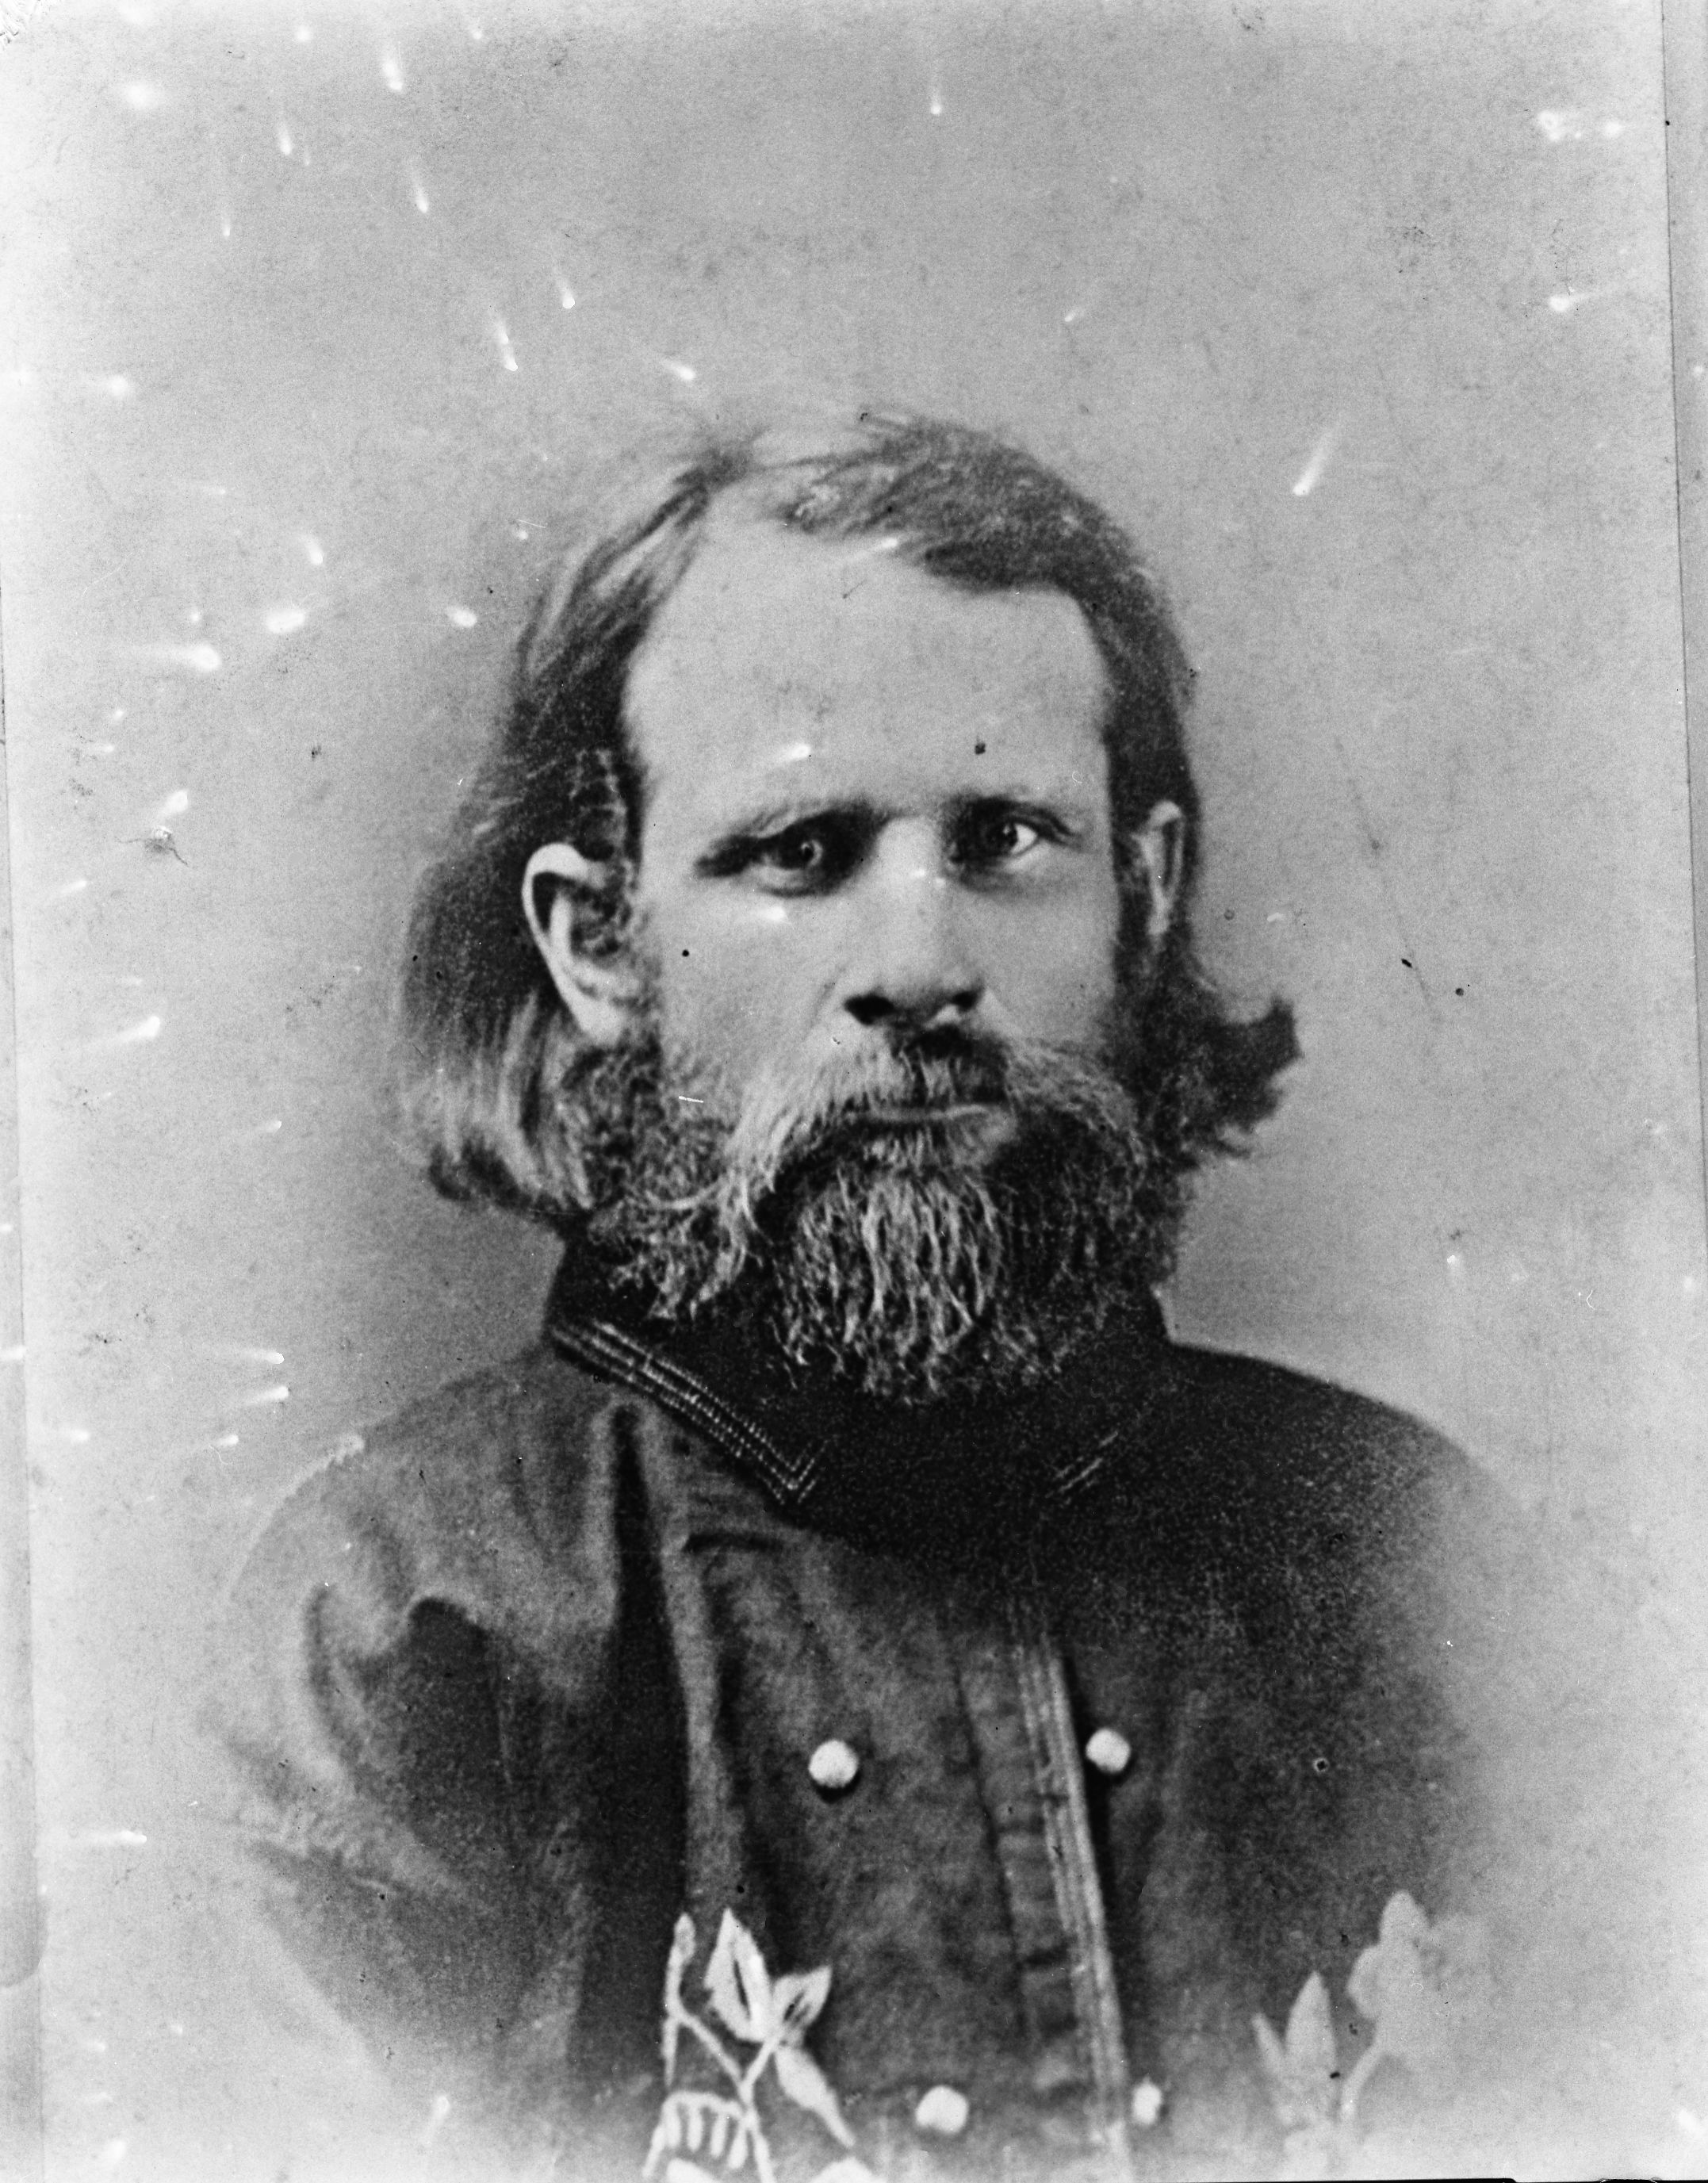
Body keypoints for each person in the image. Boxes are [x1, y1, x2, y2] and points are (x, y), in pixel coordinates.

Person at [207, 416, 1582, 2182]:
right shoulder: (396, 1636)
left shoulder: (1415, 1562)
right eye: (799, 852)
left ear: (1143, 893)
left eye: (1005, 838)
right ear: (600, 944)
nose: (923, 965)